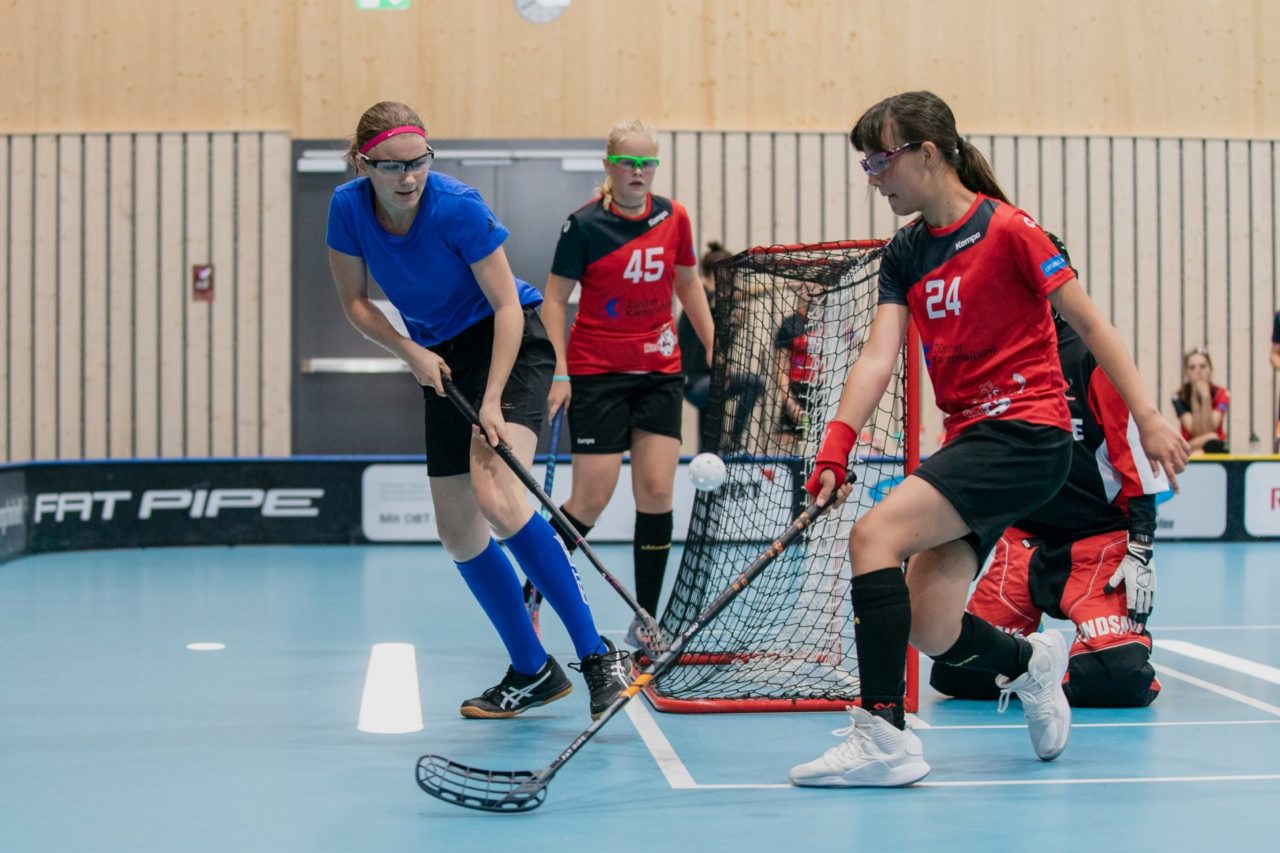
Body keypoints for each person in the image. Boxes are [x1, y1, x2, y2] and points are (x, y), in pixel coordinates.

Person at [790, 91, 1187, 788]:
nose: (872, 175)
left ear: (928, 153)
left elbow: (1092, 327)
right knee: (928, 622)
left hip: (1028, 433)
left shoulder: (1010, 231)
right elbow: (878, 358)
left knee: (871, 538)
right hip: (973, 440)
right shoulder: (906, 252)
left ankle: (882, 733)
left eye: (881, 159)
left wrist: (1149, 414)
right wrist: (835, 445)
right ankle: (1032, 665)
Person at [325, 101, 630, 721]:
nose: (408, 178)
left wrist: (492, 399)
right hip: (437, 357)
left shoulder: (458, 205)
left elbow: (510, 307)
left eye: (418, 162)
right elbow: (356, 303)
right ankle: (532, 669)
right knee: (458, 530)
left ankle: (597, 655)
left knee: (497, 492)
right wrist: (410, 351)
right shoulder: (347, 209)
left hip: (507, 341)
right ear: (364, 164)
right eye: (390, 167)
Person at [930, 237, 1166, 708]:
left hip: (1097, 543)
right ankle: (1035, 662)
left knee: (1119, 679)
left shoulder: (1091, 355)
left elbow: (1135, 454)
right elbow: (968, 454)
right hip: (1023, 542)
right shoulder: (995, 357)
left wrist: (1141, 548)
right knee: (958, 674)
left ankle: (1056, 664)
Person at [540, 119, 715, 646]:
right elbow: (552, 300)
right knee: (591, 499)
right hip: (597, 374)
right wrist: (560, 371)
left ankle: (648, 618)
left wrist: (712, 344)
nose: (638, 172)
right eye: (628, 162)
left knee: (658, 490)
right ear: (609, 166)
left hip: (659, 372)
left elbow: (687, 282)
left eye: (648, 162)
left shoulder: (674, 216)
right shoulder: (584, 226)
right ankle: (531, 587)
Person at [679, 241, 765, 453]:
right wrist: (775, 287)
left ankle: (714, 450)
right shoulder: (703, 295)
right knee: (753, 384)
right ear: (722, 272)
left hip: (710, 378)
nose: (734, 280)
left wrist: (736, 323)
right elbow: (731, 297)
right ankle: (730, 441)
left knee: (711, 428)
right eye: (731, 273)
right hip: (694, 382)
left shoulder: (720, 304)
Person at [1171, 348, 1230, 454]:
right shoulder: (1178, 397)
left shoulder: (1222, 393)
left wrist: (1206, 397)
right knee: (1206, 444)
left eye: (1202, 366)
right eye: (1192, 368)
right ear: (1186, 373)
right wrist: (1195, 397)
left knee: (1207, 445)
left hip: (1216, 446)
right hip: (1191, 445)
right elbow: (1195, 432)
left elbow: (1210, 429)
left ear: (1210, 369)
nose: (1198, 371)